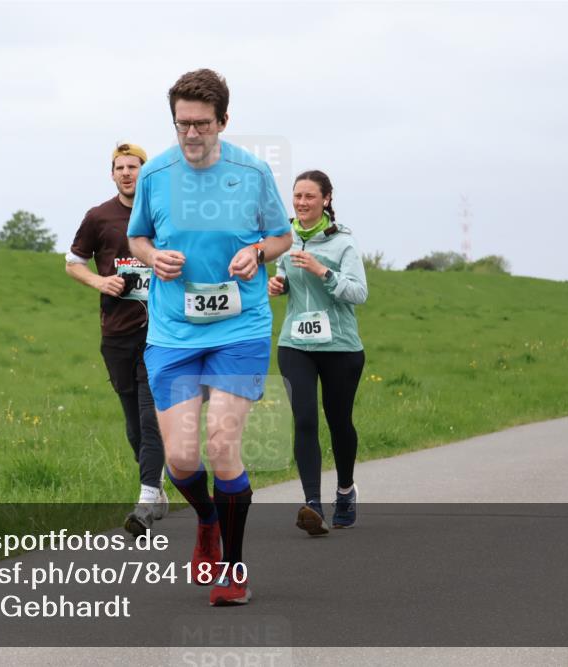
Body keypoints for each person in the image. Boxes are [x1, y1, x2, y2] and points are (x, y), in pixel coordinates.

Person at [127, 69, 292, 606]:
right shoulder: (155, 172)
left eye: (202, 124)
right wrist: (154, 258)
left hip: (238, 328)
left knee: (222, 447)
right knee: (180, 460)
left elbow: (282, 234)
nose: (191, 135)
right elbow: (138, 236)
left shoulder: (252, 172)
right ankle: (205, 520)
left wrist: (258, 252)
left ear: (223, 120)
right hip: (173, 333)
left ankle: (234, 568)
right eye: (182, 125)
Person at [66, 142, 168, 537]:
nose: (127, 173)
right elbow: (73, 262)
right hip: (116, 331)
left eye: (134, 167)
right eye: (120, 167)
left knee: (149, 414)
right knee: (133, 423)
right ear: (112, 174)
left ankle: (144, 501)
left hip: (159, 331)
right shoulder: (99, 216)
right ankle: (156, 487)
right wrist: (99, 280)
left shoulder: (161, 212)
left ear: (145, 173)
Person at [268, 170, 368, 535]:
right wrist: (277, 285)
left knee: (339, 421)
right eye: (297, 196)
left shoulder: (344, 242)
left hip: (340, 346)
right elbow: (281, 276)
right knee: (305, 418)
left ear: (326, 199)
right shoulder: (285, 238)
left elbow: (359, 293)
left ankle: (345, 490)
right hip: (296, 343)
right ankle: (312, 504)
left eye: (310, 196)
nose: (302, 202)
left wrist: (324, 272)